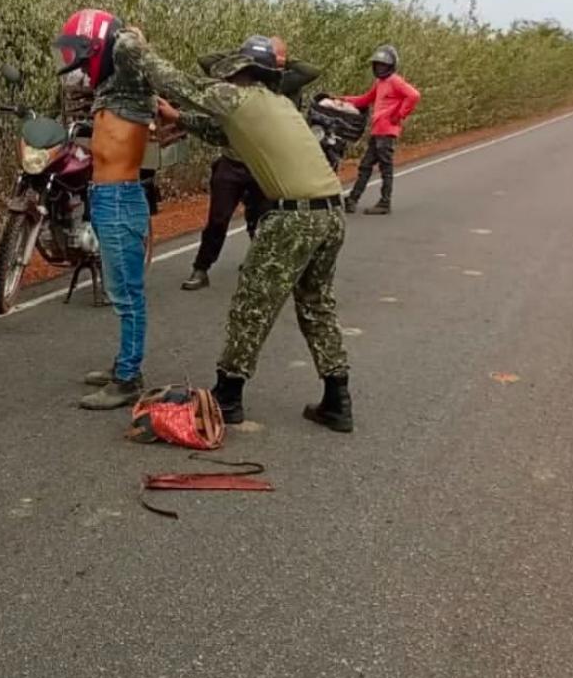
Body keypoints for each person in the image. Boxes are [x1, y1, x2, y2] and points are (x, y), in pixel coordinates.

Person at [120, 30, 355, 431]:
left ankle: (227, 396)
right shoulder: (275, 103)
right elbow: (222, 132)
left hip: (293, 217)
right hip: (331, 212)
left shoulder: (237, 97)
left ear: (240, 72)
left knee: (251, 306)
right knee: (316, 305)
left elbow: (180, 84)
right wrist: (179, 119)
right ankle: (338, 398)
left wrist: (137, 50)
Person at [53, 9, 156, 410]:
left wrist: (122, 34)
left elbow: (136, 44)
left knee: (128, 295)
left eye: (79, 52)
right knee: (119, 291)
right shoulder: (113, 88)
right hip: (107, 195)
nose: (74, 63)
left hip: (120, 198)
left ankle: (129, 378)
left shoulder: (130, 80)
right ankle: (123, 367)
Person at [181, 36, 322, 291]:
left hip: (263, 164)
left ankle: (258, 264)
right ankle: (201, 268)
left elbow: (311, 71)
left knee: (262, 219)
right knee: (218, 219)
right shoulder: (235, 82)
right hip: (231, 162)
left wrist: (279, 59)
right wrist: (244, 53)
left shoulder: (282, 83)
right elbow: (205, 61)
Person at [341, 44, 421, 215]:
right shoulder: (380, 82)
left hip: (387, 132)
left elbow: (414, 95)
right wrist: (343, 100)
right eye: (377, 65)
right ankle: (353, 199)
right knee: (365, 166)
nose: (379, 67)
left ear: (391, 66)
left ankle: (384, 202)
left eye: (383, 65)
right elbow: (365, 99)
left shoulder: (395, 81)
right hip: (378, 131)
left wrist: (399, 114)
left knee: (385, 167)